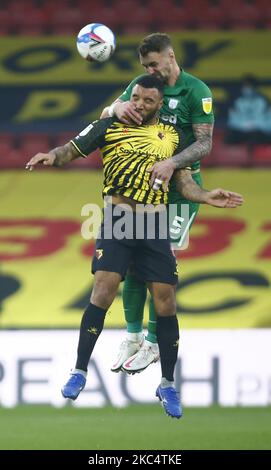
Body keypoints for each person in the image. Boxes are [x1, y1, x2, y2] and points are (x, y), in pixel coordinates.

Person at [25, 76, 243, 419]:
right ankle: (79, 371)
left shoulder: (172, 137)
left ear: (159, 104)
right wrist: (51, 157)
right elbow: (70, 148)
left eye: (147, 100)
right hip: (119, 219)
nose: (139, 104)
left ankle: (167, 384)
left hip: (154, 222)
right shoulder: (109, 125)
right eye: (136, 98)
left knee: (165, 300)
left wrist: (206, 195)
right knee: (103, 288)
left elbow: (183, 181)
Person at [101, 33, 215, 374]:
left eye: (154, 63)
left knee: (158, 269)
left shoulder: (197, 91)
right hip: (145, 194)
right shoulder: (144, 86)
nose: (151, 70)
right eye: (145, 66)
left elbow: (204, 143)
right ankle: (133, 338)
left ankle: (153, 342)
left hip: (180, 192)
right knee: (134, 265)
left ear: (170, 56)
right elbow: (107, 115)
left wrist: (172, 162)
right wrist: (115, 107)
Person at [225, 75, 271, 145]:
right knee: (229, 139)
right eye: (245, 86)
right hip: (241, 130)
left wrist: (256, 126)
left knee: (258, 138)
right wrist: (244, 126)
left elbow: (268, 120)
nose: (247, 88)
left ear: (255, 87)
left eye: (250, 86)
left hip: (259, 130)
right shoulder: (237, 101)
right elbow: (232, 120)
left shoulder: (263, 100)